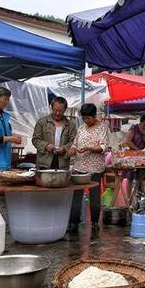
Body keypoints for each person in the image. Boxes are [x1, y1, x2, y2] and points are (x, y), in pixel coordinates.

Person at [67, 103, 108, 232]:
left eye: (89, 118)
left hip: (95, 168)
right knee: (76, 196)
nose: (86, 121)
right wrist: (72, 150)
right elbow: (75, 144)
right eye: (84, 118)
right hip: (79, 167)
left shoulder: (103, 128)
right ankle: (73, 222)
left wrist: (89, 147)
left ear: (94, 116)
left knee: (95, 196)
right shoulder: (81, 129)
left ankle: (95, 222)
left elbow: (103, 147)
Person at [32, 96, 77, 169]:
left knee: (61, 180)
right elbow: (35, 140)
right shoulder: (42, 122)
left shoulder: (71, 125)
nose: (57, 113)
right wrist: (46, 146)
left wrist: (65, 148)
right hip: (44, 163)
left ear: (65, 110)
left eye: (60, 111)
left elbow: (74, 142)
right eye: (55, 110)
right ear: (51, 108)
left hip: (62, 163)